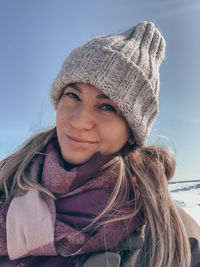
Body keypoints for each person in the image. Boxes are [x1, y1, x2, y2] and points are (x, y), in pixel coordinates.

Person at [0, 21, 199, 267]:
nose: (80, 121)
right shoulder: (6, 185)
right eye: (73, 95)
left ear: (131, 132)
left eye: (107, 107)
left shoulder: (171, 239)